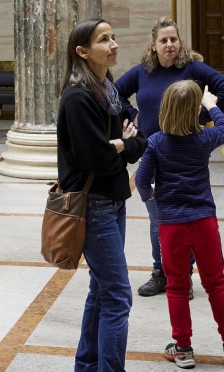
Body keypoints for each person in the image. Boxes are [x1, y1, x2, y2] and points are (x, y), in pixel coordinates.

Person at [115, 18, 224, 298]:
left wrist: (201, 117)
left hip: (186, 151)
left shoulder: (192, 69)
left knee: (188, 215)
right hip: (153, 150)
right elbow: (115, 94)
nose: (170, 44)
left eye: (174, 39)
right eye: (164, 40)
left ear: (179, 42)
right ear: (154, 45)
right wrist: (131, 114)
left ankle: (184, 274)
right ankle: (161, 272)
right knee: (157, 218)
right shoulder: (142, 72)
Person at [135, 81, 224, 369]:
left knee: (176, 286)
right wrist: (211, 103)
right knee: (215, 282)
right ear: (195, 111)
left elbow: (141, 179)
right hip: (203, 221)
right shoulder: (205, 138)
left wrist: (150, 196)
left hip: (171, 224)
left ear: (165, 109)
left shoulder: (156, 142)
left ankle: (184, 349)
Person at [57, 19, 147, 372]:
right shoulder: (78, 97)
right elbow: (96, 157)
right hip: (93, 205)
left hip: (114, 199)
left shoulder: (107, 88)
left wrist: (123, 143)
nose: (114, 44)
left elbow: (136, 135)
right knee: (118, 296)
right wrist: (125, 144)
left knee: (101, 288)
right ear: (83, 51)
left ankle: (87, 366)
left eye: (114, 37)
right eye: (104, 39)